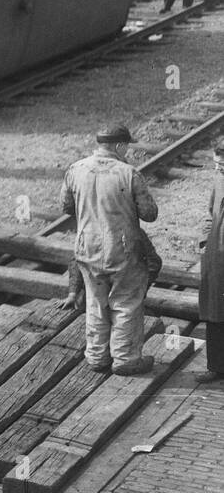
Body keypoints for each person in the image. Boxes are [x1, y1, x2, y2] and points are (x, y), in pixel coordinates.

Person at [62, 123, 159, 376]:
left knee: (95, 302)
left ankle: (96, 356)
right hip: (122, 250)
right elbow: (150, 214)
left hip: (87, 248)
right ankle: (126, 360)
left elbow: (66, 207)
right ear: (118, 146)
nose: (127, 151)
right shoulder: (129, 173)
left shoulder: (75, 169)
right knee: (126, 302)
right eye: (126, 146)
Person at [198, 138, 224, 381]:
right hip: (216, 256)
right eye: (216, 165)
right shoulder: (219, 181)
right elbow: (209, 214)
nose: (218, 171)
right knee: (215, 312)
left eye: (223, 167)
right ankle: (216, 367)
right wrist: (205, 242)